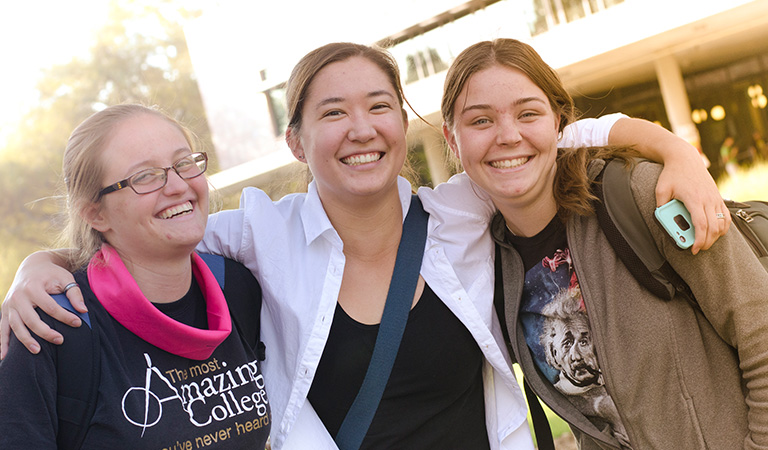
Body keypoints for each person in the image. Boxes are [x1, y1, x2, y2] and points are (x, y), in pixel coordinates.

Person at [1, 43, 729, 449]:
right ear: (295, 139)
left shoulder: (459, 212)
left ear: (403, 125)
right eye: (333, 112)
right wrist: (38, 267)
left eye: (380, 105)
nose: (361, 128)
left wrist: (675, 150)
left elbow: (549, 139)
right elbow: (154, 230)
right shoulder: (260, 232)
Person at [436, 38, 768, 448]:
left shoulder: (640, 196)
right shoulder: (488, 266)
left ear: (558, 123)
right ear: (453, 141)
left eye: (528, 113)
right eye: (480, 121)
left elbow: (761, 333)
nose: (508, 135)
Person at [0, 104, 270, 449]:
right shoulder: (45, 323)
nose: (176, 185)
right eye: (145, 176)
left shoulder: (237, 287)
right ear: (95, 214)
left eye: (184, 163)